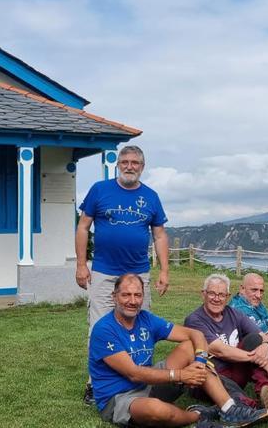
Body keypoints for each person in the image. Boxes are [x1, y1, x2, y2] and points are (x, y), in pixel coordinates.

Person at [89, 273, 268, 428]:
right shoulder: (104, 329)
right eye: (126, 295)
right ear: (114, 297)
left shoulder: (145, 319)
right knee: (156, 410)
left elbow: (195, 334)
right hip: (119, 398)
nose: (132, 301)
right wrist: (181, 375)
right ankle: (199, 415)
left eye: (137, 295)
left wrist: (199, 363)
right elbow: (134, 374)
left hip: (149, 382)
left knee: (191, 346)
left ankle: (230, 409)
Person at [76, 145, 171, 404]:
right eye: (125, 161)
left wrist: (164, 270)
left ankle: (139, 378)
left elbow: (159, 234)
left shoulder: (151, 196)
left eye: (135, 163)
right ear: (118, 164)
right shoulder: (99, 189)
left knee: (139, 326)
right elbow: (83, 227)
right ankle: (95, 385)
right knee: (99, 327)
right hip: (104, 272)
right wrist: (81, 264)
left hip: (138, 273)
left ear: (143, 166)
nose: (130, 166)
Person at [184, 274, 268, 425]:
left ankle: (266, 393)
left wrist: (266, 348)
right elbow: (219, 350)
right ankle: (246, 406)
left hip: (235, 370)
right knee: (217, 377)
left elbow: (263, 336)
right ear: (203, 294)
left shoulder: (234, 313)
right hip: (209, 378)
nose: (216, 299)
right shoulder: (194, 320)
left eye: (221, 294)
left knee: (254, 340)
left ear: (228, 296)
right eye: (212, 293)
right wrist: (260, 358)